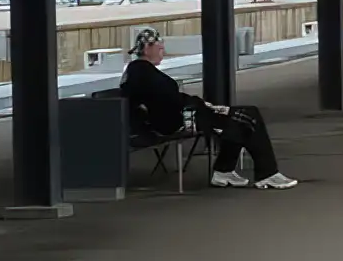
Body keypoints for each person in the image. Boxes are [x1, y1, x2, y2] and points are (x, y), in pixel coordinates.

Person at [120, 27, 297, 189]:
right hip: (180, 120)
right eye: (159, 48)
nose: (163, 52)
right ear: (147, 49)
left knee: (243, 117)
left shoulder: (140, 72)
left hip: (184, 114)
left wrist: (204, 105)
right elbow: (165, 102)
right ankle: (266, 173)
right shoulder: (142, 73)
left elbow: (164, 100)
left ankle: (225, 171)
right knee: (247, 117)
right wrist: (202, 105)